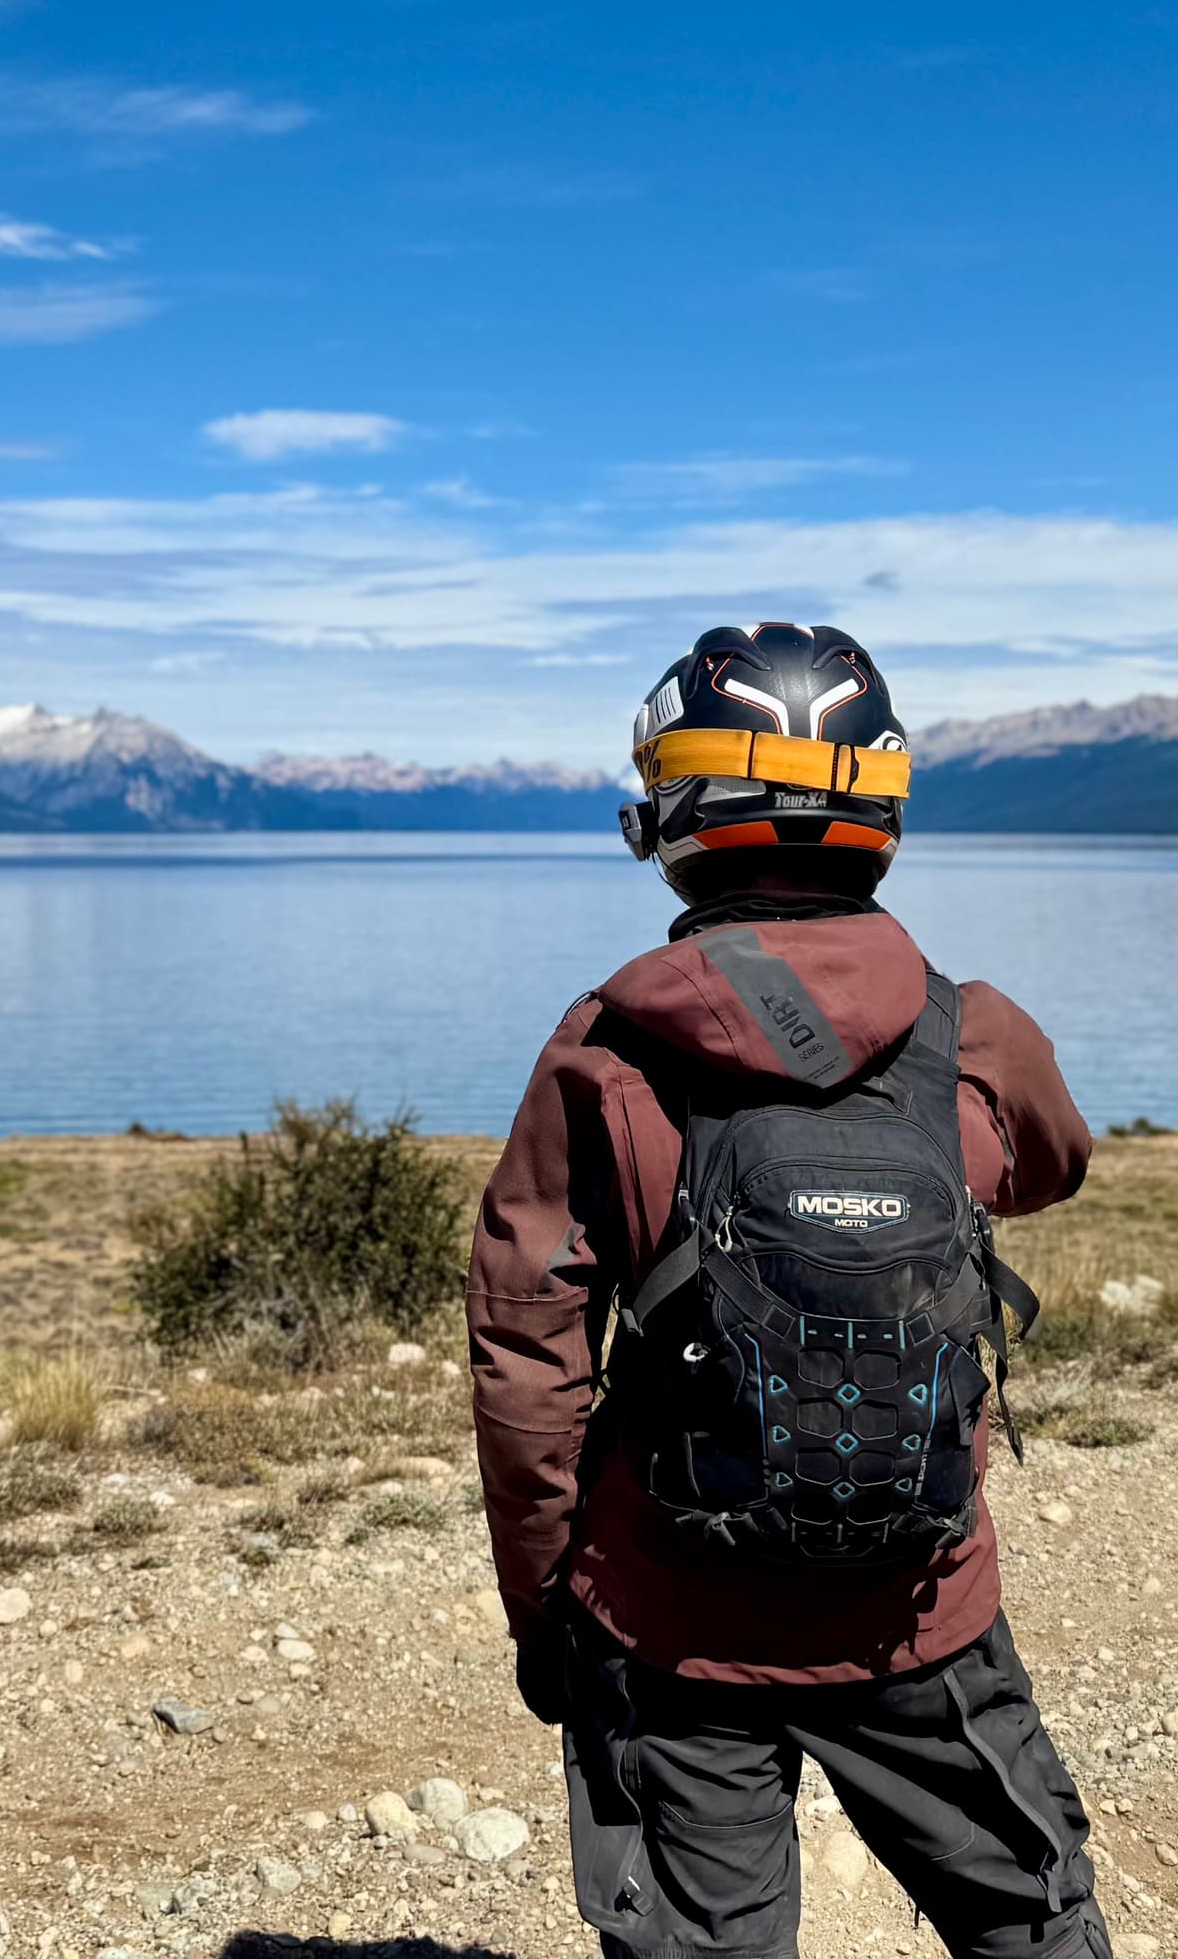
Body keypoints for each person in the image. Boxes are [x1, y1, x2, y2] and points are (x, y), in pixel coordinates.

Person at [468, 621, 1109, 1959]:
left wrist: (548, 1614)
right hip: (918, 1608)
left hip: (669, 1616)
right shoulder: (972, 1031)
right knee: (1028, 1919)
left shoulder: (603, 1049)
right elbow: (1053, 1166)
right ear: (881, 812)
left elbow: (529, 1357)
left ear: (672, 820)